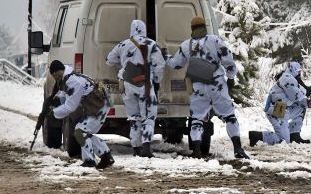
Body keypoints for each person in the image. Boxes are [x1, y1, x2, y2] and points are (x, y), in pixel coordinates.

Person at [165, 16, 249, 159]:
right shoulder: (214, 40)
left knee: (197, 118)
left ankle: (196, 150)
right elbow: (227, 59)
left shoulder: (187, 45)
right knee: (229, 116)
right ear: (204, 27)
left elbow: (175, 64)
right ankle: (237, 149)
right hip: (216, 84)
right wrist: (230, 77)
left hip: (198, 86)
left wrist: (165, 56)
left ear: (192, 29)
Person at [106, 19, 165, 158]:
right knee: (148, 117)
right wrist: (156, 80)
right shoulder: (151, 44)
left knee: (134, 118)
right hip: (145, 85)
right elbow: (159, 65)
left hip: (127, 85)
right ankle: (146, 148)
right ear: (144, 30)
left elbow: (109, 60)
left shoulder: (123, 44)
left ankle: (136, 149)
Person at [48, 60, 114, 169]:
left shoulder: (72, 81)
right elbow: (66, 97)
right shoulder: (69, 77)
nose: (54, 79)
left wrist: (53, 113)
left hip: (98, 106)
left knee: (79, 131)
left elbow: (70, 106)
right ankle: (106, 156)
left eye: (53, 76)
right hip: (96, 105)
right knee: (82, 132)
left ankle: (89, 161)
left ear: (55, 73)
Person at [248, 61, 311, 147]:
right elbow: (295, 97)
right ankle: (257, 136)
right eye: (298, 71)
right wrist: (306, 91)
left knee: (301, 108)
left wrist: (310, 102)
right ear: (293, 70)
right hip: (277, 108)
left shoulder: (290, 78)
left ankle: (294, 135)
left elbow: (297, 101)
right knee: (283, 141)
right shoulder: (287, 78)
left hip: (281, 107)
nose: (299, 74)